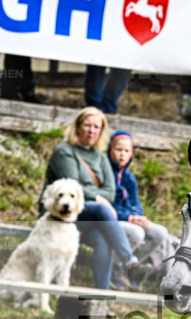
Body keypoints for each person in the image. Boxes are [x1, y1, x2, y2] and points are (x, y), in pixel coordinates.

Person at [43, 107, 137, 290]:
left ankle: (101, 297)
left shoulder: (101, 157)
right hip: (60, 215)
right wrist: (97, 196)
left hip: (84, 218)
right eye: (87, 125)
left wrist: (94, 196)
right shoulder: (65, 151)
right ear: (77, 127)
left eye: (96, 127)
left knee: (102, 238)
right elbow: (71, 187)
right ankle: (128, 260)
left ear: (101, 131)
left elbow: (111, 192)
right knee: (101, 208)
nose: (91, 130)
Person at [107, 130, 175, 290]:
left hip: (130, 218)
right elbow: (107, 202)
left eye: (126, 151)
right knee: (137, 233)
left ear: (131, 154)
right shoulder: (106, 172)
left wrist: (139, 216)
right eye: (118, 150)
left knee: (160, 232)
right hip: (112, 218)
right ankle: (114, 266)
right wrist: (130, 218)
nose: (122, 154)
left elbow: (135, 202)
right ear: (110, 150)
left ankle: (131, 267)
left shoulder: (129, 177)